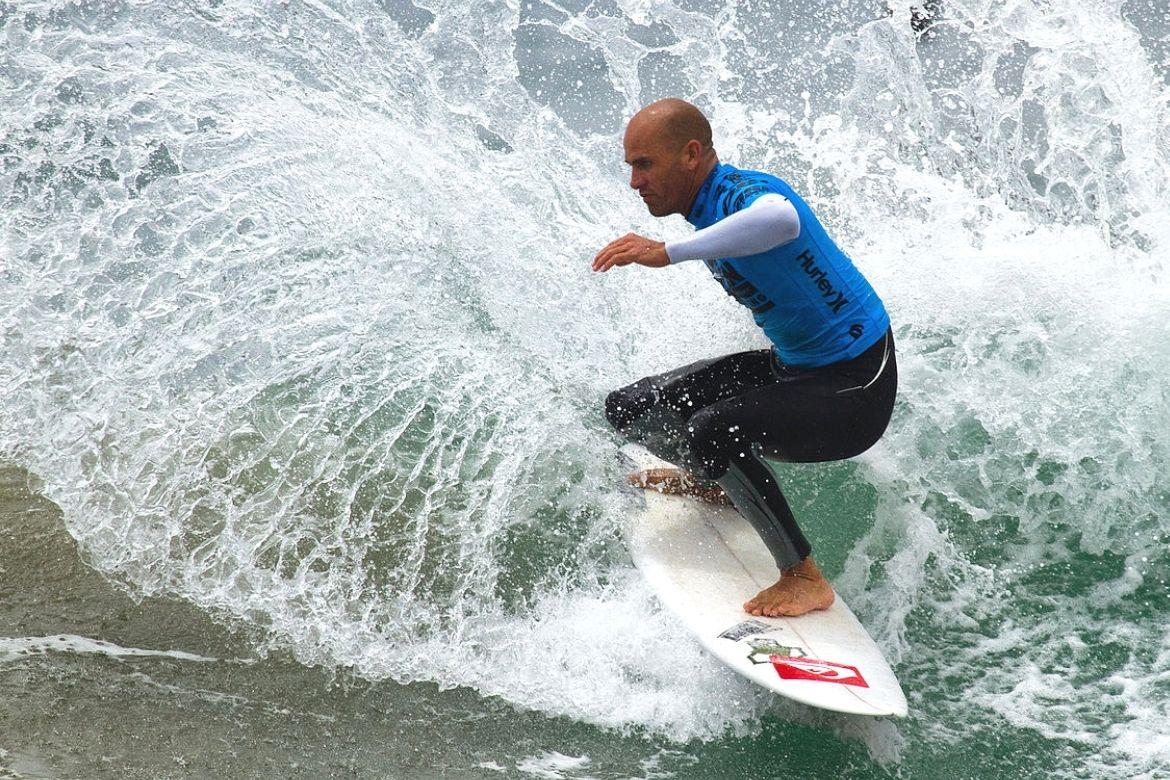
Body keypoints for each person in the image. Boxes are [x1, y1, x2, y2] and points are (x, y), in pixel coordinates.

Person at [593, 98, 897, 618]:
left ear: (691, 155)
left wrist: (666, 252)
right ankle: (717, 482)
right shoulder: (706, 208)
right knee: (629, 407)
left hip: (854, 386)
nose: (635, 182)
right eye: (631, 167)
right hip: (794, 370)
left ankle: (803, 576)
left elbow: (781, 220)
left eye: (644, 164)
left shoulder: (743, 193)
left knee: (713, 428)